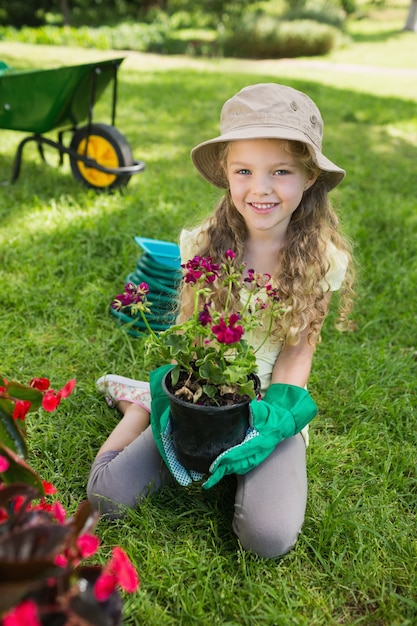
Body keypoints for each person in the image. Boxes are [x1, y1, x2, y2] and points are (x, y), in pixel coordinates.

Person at [87, 83, 355, 559]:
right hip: (206, 390)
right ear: (227, 175)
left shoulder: (319, 260)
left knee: (268, 538)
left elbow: (297, 355)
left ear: (309, 176)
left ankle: (256, 461)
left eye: (281, 171)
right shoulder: (205, 246)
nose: (261, 188)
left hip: (271, 401)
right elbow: (198, 341)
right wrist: (194, 404)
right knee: (107, 498)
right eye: (244, 170)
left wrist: (270, 422)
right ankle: (139, 407)